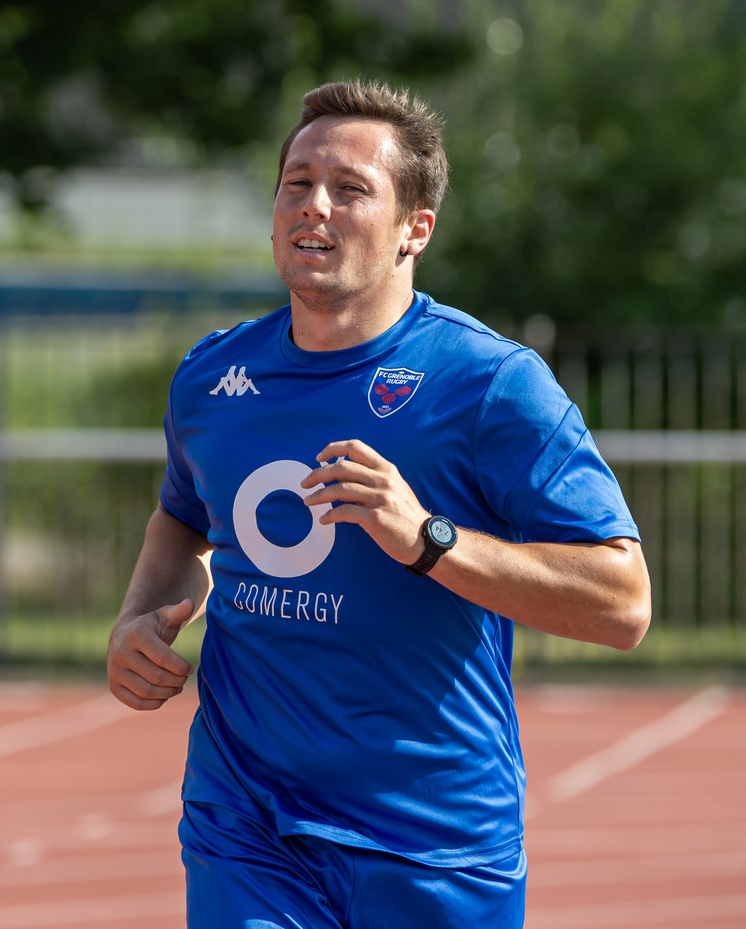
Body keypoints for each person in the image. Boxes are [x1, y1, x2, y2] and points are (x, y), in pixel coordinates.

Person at [106, 79, 651, 928]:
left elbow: (624, 604)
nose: (314, 206)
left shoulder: (490, 384)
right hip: (247, 823)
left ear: (414, 230)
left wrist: (427, 538)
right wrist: (139, 615)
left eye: (351, 189)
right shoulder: (212, 376)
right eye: (297, 182)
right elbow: (185, 514)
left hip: (433, 839)